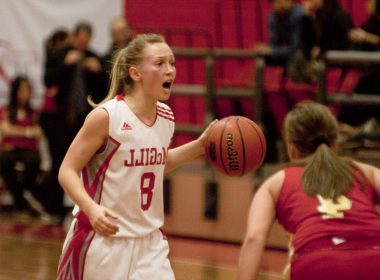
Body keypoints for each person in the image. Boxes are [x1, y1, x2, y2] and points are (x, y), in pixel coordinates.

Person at [57, 33, 216, 279]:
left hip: (150, 243)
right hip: (102, 242)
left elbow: (156, 163)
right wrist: (91, 209)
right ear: (135, 73)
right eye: (160, 63)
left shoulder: (166, 116)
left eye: (172, 63)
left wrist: (200, 146)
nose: (170, 70)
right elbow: (67, 170)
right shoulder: (107, 117)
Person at [239, 101, 380, 280]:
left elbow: (254, 239)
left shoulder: (276, 183)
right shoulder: (366, 172)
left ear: (291, 148)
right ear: (335, 142)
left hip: (317, 261)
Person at [0, 76, 44, 217]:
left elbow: (39, 133)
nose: (25, 94)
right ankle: (21, 200)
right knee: (5, 161)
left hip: (29, 149)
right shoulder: (7, 110)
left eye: (27, 90)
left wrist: (18, 131)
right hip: (11, 147)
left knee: (33, 161)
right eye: (22, 90)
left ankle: (25, 194)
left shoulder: (33, 112)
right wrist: (28, 132)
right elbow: (5, 129)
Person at [254, 0, 304, 67]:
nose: (282, 5)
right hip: (291, 53)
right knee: (262, 57)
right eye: (278, 2)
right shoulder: (273, 17)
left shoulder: (299, 15)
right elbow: (273, 44)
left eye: (285, 1)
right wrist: (265, 49)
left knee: (298, 56)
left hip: (306, 53)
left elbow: (297, 47)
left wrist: (272, 51)